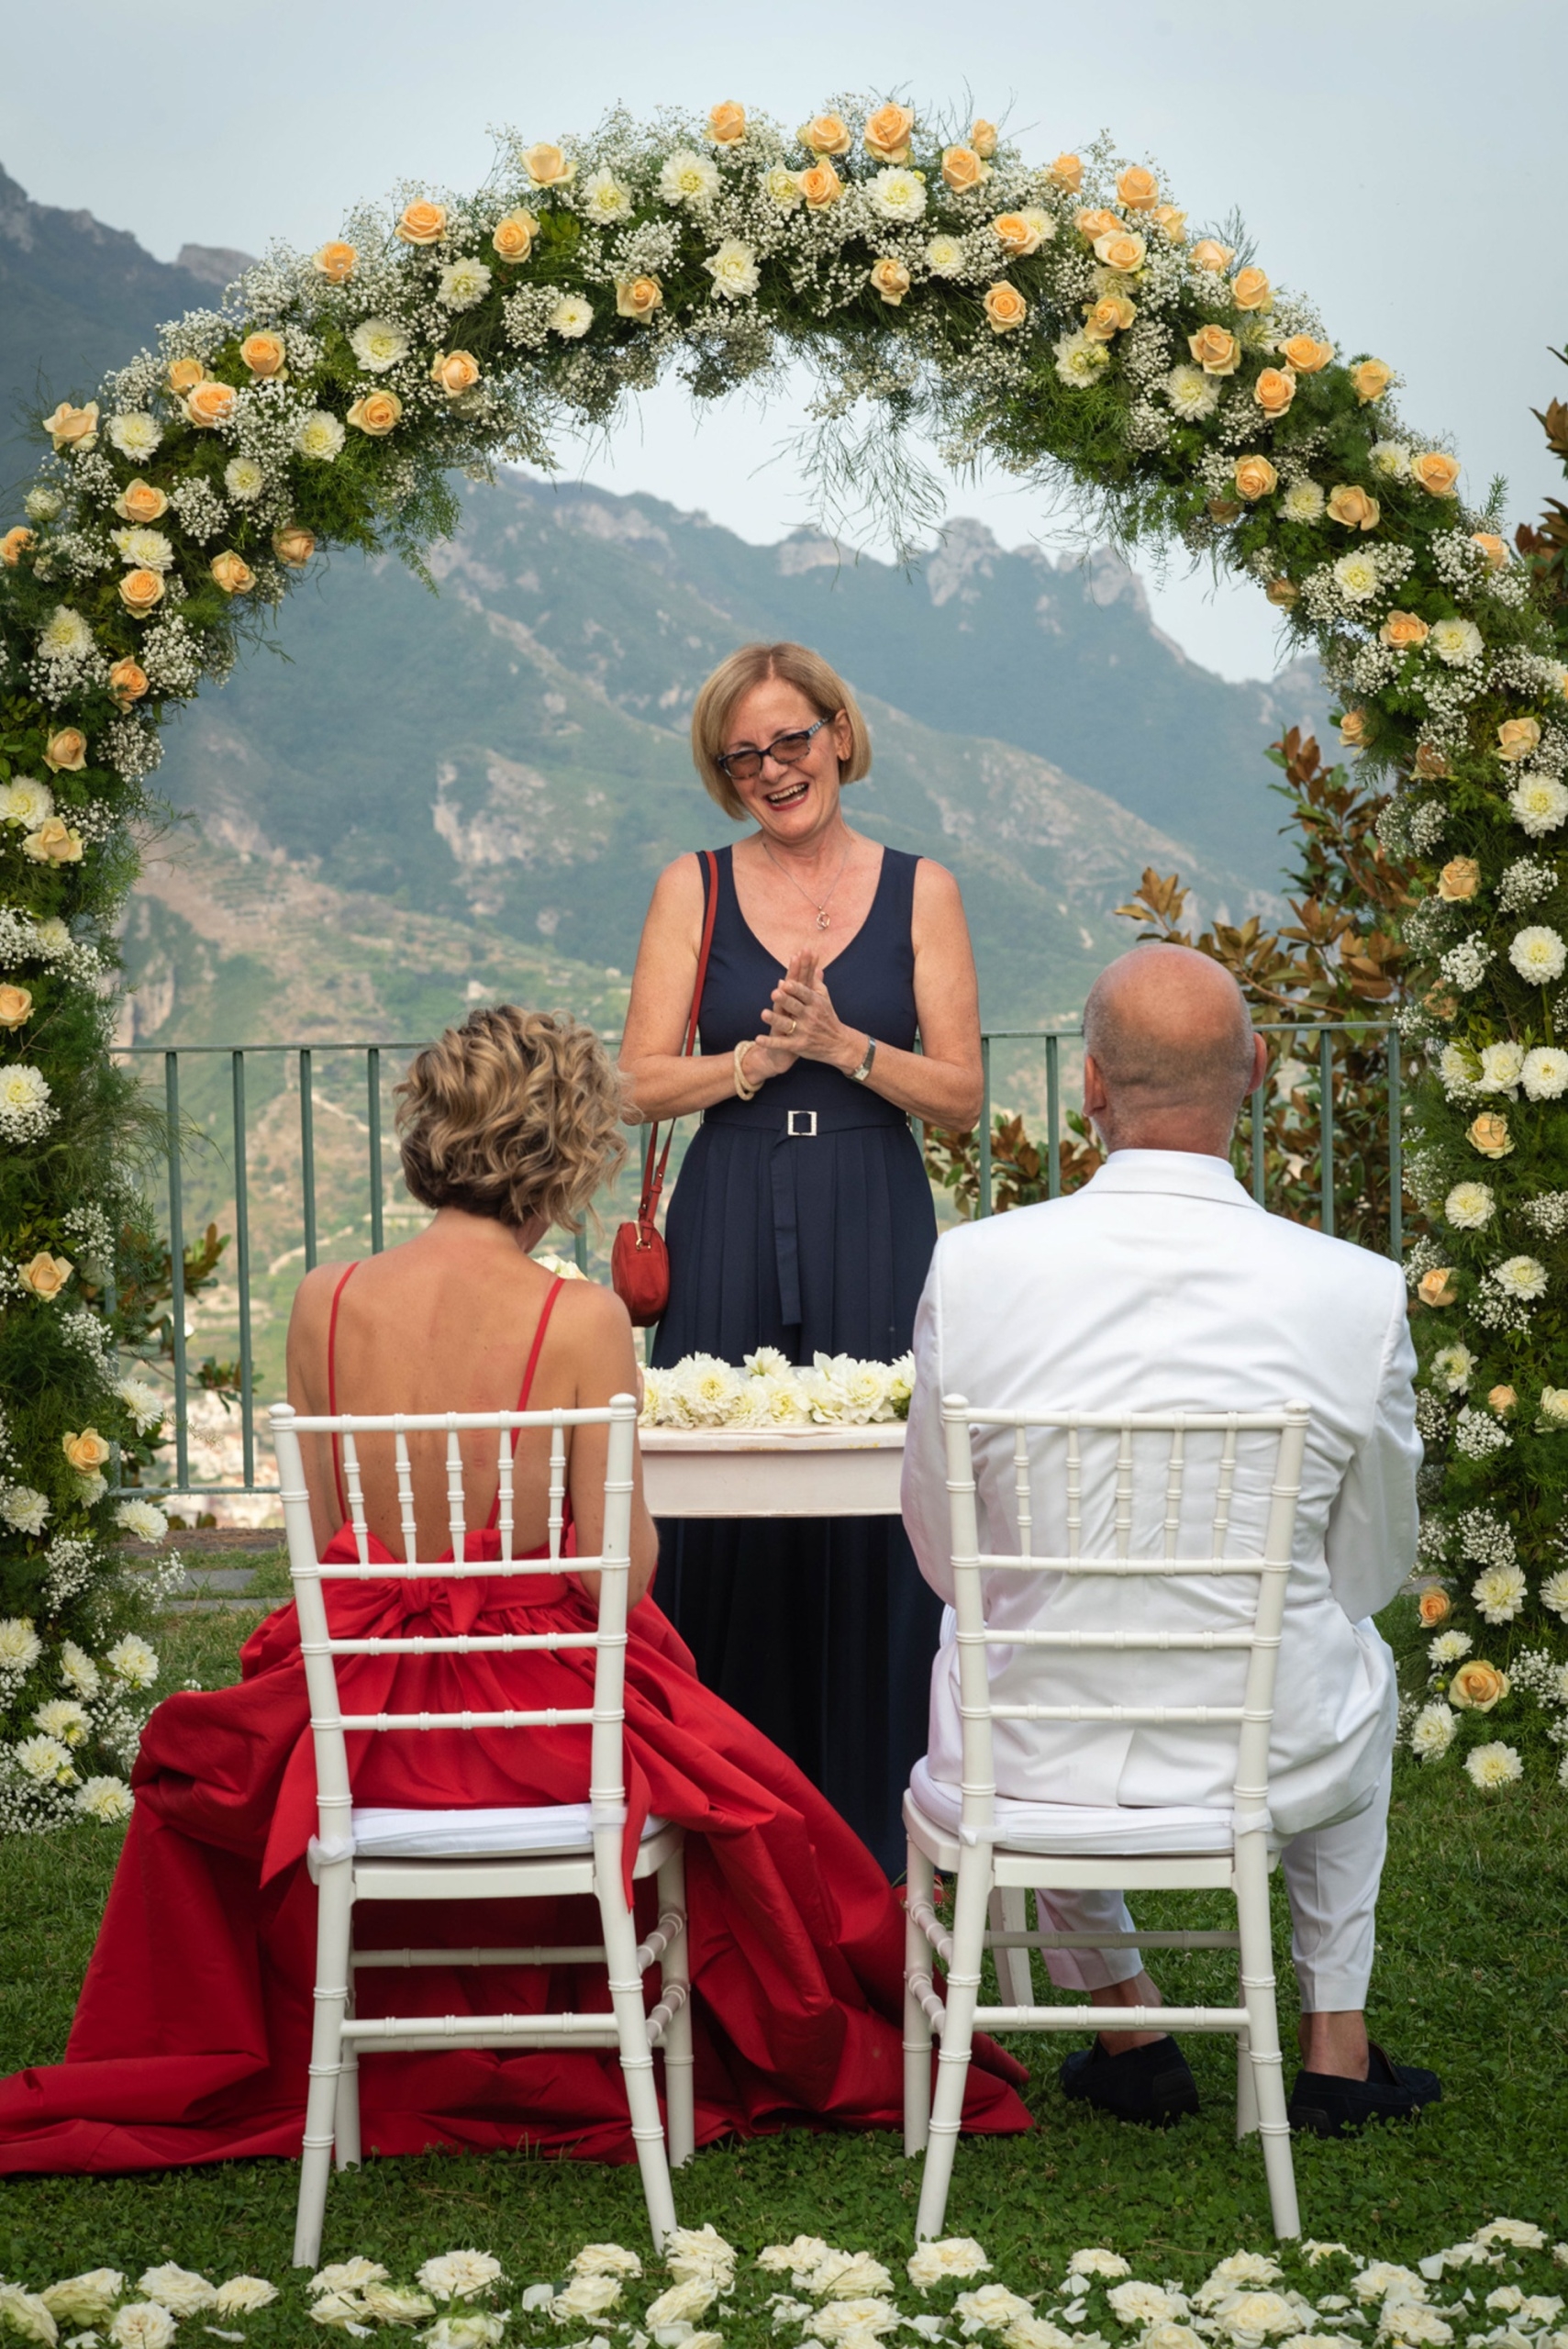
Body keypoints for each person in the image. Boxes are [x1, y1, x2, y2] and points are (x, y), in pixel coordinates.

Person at [0, 1006, 1028, 2176]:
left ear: (426, 1136)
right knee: (754, 1798)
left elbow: (333, 1545)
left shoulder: (322, 1302)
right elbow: (623, 1570)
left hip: (364, 1720)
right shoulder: (577, 1315)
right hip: (541, 1734)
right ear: (564, 1156)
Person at [901, 943, 1440, 2138]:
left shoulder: (974, 1268)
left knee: (1003, 1642)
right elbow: (1372, 1565)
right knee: (1349, 1653)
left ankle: (1129, 2026)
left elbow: (946, 1554)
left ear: (1088, 1085)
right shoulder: (1354, 1291)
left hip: (1036, 1753)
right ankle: (1333, 2051)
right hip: (1275, 1751)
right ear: (1252, 1070)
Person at [619, 643, 983, 1876]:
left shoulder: (923, 888)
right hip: (727, 1217)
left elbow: (963, 1095)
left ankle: (884, 1853)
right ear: (724, 775)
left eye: (792, 740)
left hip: (873, 1214)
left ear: (839, 729)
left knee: (884, 1522)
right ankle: (725, 1856)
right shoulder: (694, 886)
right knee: (717, 1522)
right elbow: (633, 1081)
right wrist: (748, 1067)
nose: (776, 769)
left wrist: (842, 1046)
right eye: (745, 755)